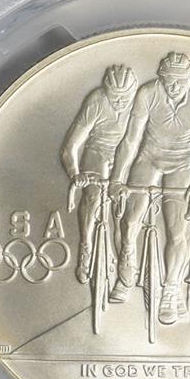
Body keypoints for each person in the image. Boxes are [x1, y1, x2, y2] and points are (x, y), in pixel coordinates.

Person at [109, 52, 190, 324]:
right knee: (129, 220)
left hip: (182, 164)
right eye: (169, 80)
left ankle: (171, 288)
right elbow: (130, 140)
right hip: (149, 159)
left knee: (177, 230)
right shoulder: (147, 93)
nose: (174, 86)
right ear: (160, 78)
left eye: (180, 81)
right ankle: (127, 261)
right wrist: (117, 179)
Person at [61, 65, 137, 283]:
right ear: (106, 91)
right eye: (114, 96)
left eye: (125, 97)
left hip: (128, 154)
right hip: (98, 151)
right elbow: (70, 146)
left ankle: (125, 255)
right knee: (93, 196)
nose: (120, 102)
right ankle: (86, 247)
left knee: (122, 210)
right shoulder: (96, 101)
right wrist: (75, 174)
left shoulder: (141, 103)